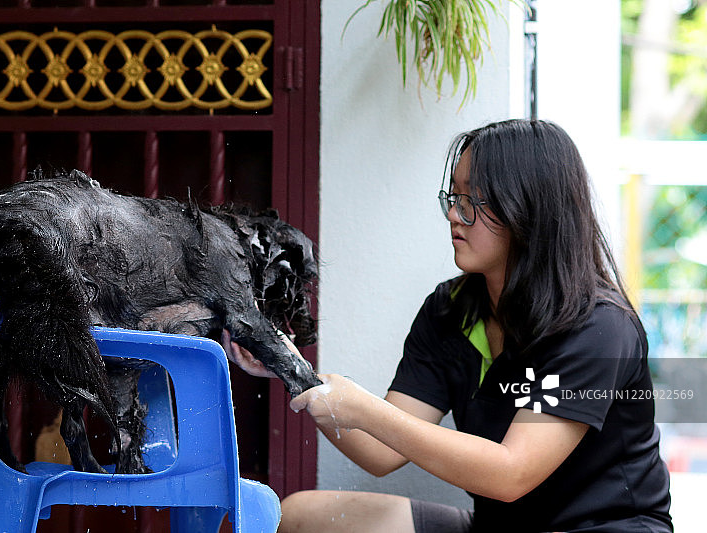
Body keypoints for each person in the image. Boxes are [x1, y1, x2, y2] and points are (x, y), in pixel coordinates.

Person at [222, 119, 673, 533]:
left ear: (530, 209)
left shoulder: (597, 328)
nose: (455, 214)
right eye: (453, 197)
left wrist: (363, 406)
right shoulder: (450, 309)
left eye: (473, 200)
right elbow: (381, 451)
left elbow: (510, 474)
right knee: (301, 516)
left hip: (606, 529)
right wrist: (292, 368)